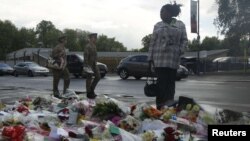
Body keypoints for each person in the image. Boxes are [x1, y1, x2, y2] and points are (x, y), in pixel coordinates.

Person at [148, 3, 188, 110]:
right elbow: (152, 43)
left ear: (170, 13)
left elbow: (184, 40)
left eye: (163, 11)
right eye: (160, 11)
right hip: (159, 59)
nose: (160, 13)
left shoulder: (180, 25)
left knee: (170, 85)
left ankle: (169, 108)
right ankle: (159, 108)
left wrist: (180, 50)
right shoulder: (157, 25)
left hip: (172, 60)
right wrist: (150, 60)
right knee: (161, 84)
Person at [84, 33, 100, 99]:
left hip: (94, 64)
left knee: (98, 76)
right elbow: (85, 57)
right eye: (94, 37)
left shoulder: (94, 46)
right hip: (89, 65)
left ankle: (91, 89)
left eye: (96, 38)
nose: (95, 39)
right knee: (89, 79)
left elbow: (95, 56)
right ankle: (89, 92)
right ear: (90, 38)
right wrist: (86, 66)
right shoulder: (87, 46)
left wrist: (96, 62)